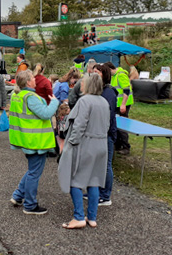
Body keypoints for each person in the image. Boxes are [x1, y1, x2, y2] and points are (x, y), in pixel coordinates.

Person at [58, 73, 109, 229]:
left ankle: (79, 216)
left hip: (86, 144)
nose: (81, 84)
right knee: (94, 180)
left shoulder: (84, 101)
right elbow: (107, 125)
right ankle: (92, 217)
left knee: (75, 179)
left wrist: (71, 143)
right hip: (101, 144)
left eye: (83, 82)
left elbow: (79, 125)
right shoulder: (104, 102)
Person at [9, 70, 59, 215]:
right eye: (33, 78)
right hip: (36, 141)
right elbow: (45, 114)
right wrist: (54, 102)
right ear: (28, 81)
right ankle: (30, 205)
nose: (35, 80)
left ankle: (18, 196)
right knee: (34, 173)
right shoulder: (31, 97)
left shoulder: (18, 95)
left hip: (26, 139)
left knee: (32, 170)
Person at [94, 64, 118, 206]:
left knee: (106, 164)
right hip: (98, 133)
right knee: (98, 163)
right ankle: (96, 191)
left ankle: (105, 195)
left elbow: (108, 115)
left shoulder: (108, 93)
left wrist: (104, 132)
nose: (94, 74)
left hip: (106, 133)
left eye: (97, 72)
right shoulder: (99, 90)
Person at [106, 62, 133, 155]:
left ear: (110, 69)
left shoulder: (121, 75)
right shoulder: (114, 76)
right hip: (117, 104)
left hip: (123, 104)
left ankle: (126, 146)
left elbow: (126, 90)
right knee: (116, 124)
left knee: (123, 125)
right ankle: (118, 144)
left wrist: (123, 104)